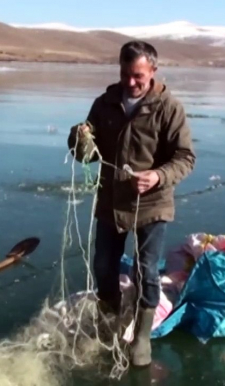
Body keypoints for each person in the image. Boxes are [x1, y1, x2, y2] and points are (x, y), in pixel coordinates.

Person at [67, 40, 196, 367]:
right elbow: (85, 156)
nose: (131, 82)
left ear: (153, 71)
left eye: (138, 75)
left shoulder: (169, 108)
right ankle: (108, 321)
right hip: (111, 202)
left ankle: (140, 337)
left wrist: (157, 176)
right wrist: (78, 138)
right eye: (126, 74)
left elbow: (185, 158)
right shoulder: (104, 103)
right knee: (103, 266)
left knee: (146, 270)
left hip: (152, 205)